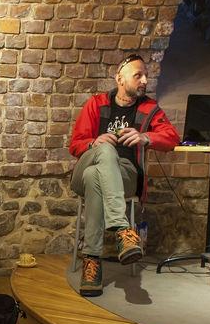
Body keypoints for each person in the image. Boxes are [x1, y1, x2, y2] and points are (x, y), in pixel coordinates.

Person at [68, 53, 180, 297]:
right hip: (87, 163)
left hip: (125, 176)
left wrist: (145, 137)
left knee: (94, 177)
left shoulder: (149, 108)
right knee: (104, 150)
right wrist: (94, 142)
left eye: (146, 76)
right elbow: (75, 144)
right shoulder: (96, 104)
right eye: (137, 75)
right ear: (119, 78)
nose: (144, 81)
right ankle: (122, 229)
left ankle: (92, 260)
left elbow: (172, 138)